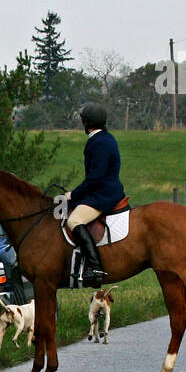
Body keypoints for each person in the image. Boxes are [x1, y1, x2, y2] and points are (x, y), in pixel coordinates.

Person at [65, 103, 124, 289]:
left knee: (73, 221)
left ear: (85, 122)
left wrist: (73, 195)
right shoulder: (105, 138)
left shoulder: (98, 142)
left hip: (103, 194)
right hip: (103, 190)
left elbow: (95, 178)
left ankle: (96, 268)